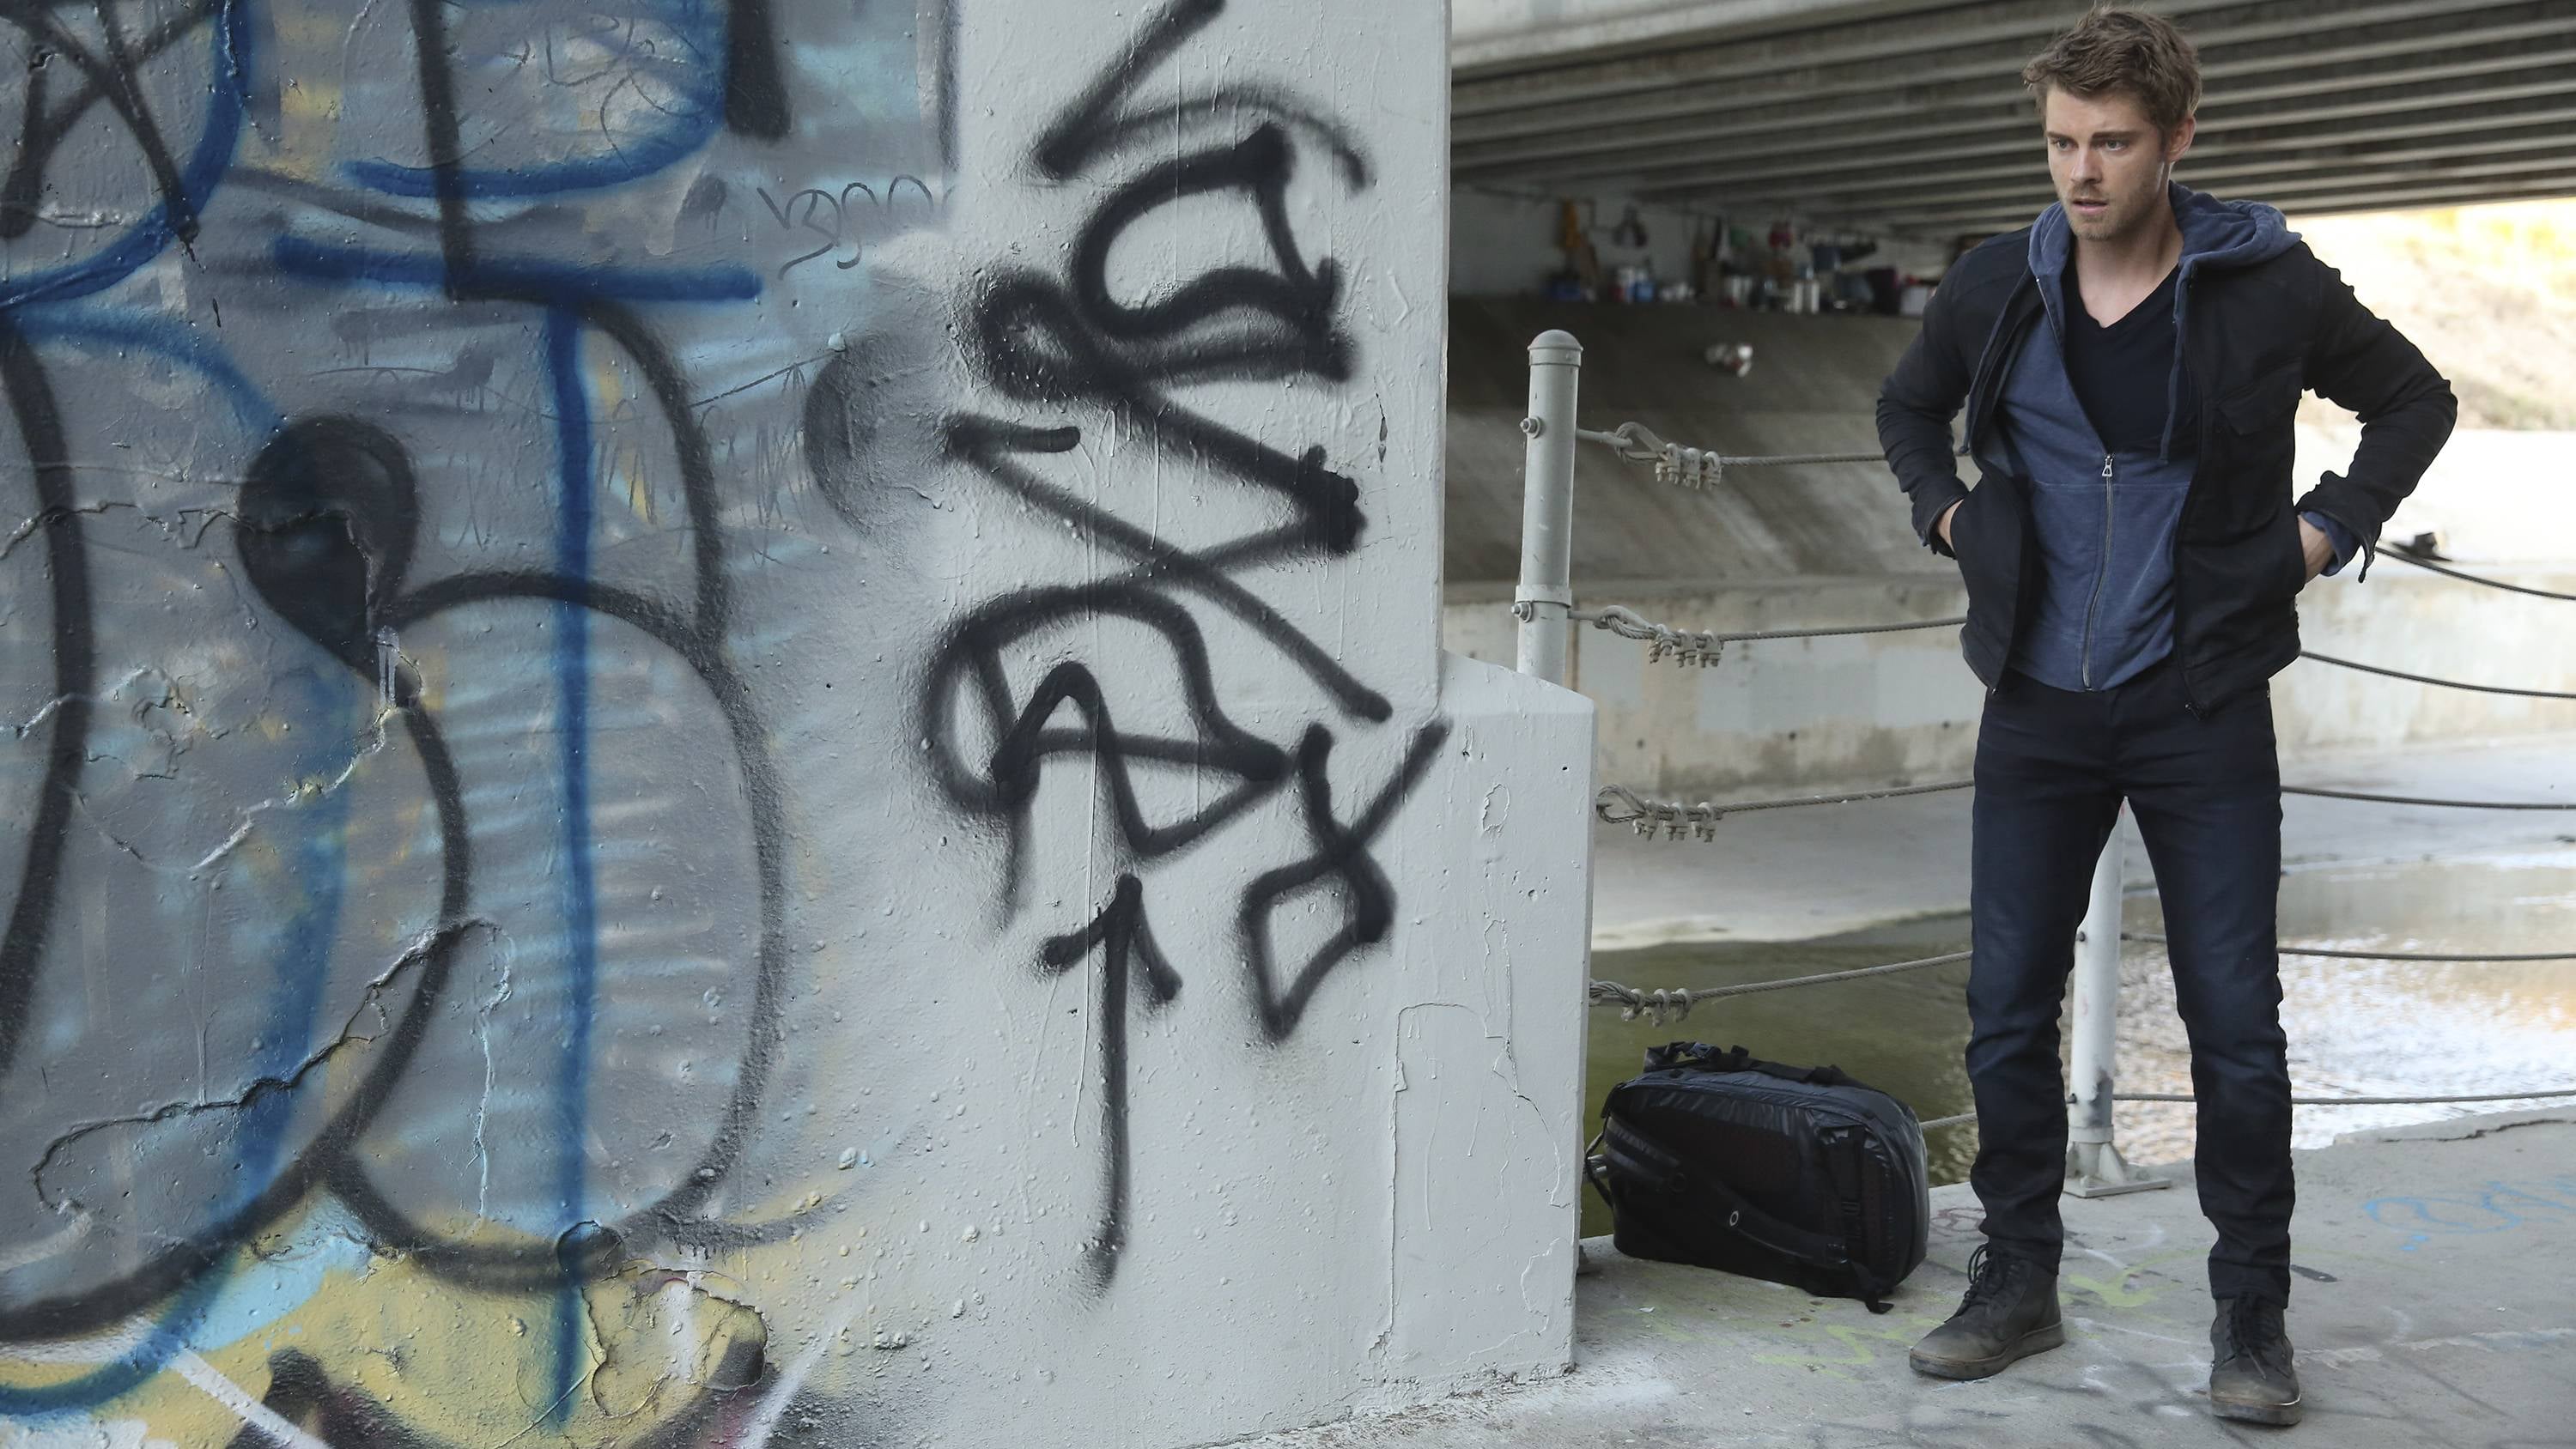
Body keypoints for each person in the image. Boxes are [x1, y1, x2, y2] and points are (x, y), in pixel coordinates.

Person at [1874, 6, 2455, 1428]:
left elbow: (2413, 400)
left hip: (2200, 706)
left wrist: (2321, 534)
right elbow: (1906, 410)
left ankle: (2252, 1315)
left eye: (2114, 143)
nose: (2082, 171)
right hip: (2035, 707)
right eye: (2062, 141)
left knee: (2235, 1025)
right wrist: (1950, 517)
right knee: (2006, 1012)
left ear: (2178, 139)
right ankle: (2017, 1280)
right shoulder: (1999, 282)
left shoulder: (2266, 283)